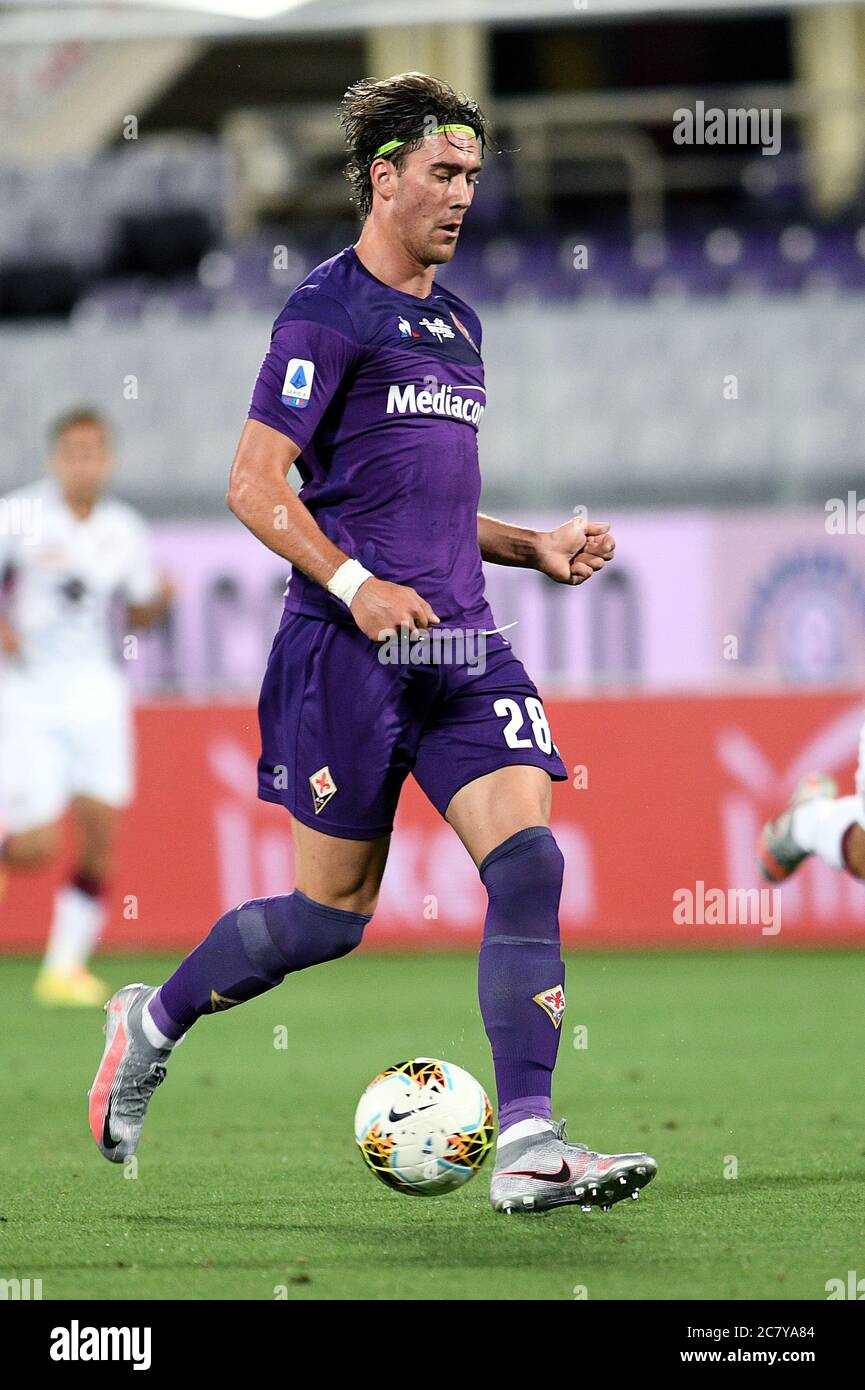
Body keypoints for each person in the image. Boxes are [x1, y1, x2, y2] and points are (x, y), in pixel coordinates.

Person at [89, 73, 657, 1215]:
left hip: (458, 647)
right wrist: (354, 584)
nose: (460, 196)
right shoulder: (325, 311)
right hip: (348, 654)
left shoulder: (458, 321)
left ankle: (533, 1142)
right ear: (383, 178)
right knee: (327, 920)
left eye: (472, 178)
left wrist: (531, 545)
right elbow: (255, 487)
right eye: (442, 175)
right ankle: (148, 1018)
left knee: (530, 861)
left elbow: (421, 506)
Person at [0, 408, 171, 1004]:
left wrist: (162, 601)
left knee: (100, 833)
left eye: (93, 451)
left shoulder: (124, 528)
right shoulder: (18, 516)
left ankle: (64, 967)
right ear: (55, 459)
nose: (83, 462)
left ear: (108, 459)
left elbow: (142, 613)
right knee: (38, 843)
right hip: (27, 693)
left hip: (96, 691)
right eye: (72, 451)